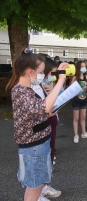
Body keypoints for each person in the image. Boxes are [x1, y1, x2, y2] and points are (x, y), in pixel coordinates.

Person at [6, 48, 67, 201]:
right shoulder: (20, 91)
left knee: (37, 185)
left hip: (40, 143)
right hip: (33, 147)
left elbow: (40, 112)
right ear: (30, 72)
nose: (42, 75)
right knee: (34, 189)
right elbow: (42, 108)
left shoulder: (27, 89)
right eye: (40, 71)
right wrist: (60, 81)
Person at [70, 61, 87, 143]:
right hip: (76, 99)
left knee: (83, 117)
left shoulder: (86, 77)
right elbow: (71, 90)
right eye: (82, 66)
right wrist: (79, 88)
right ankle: (76, 135)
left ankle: (84, 133)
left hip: (84, 98)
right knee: (76, 118)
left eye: (85, 66)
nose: (84, 68)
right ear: (78, 67)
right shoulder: (74, 78)